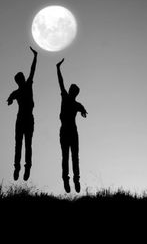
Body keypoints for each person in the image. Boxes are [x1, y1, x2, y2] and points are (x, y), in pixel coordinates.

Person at [56, 58, 88, 193]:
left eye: (71, 90)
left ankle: (74, 180)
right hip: (67, 131)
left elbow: (83, 109)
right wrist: (58, 69)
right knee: (69, 157)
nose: (69, 90)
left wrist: (83, 111)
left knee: (72, 157)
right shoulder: (70, 100)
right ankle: (68, 181)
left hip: (70, 132)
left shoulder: (73, 102)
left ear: (74, 92)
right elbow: (61, 82)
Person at [7, 47, 38, 181]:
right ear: (19, 80)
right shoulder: (20, 90)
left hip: (25, 119)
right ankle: (19, 168)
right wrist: (10, 100)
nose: (24, 78)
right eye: (22, 78)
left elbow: (32, 70)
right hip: (22, 120)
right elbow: (10, 97)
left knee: (23, 144)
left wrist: (35, 57)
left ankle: (24, 168)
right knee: (22, 144)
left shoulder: (24, 88)